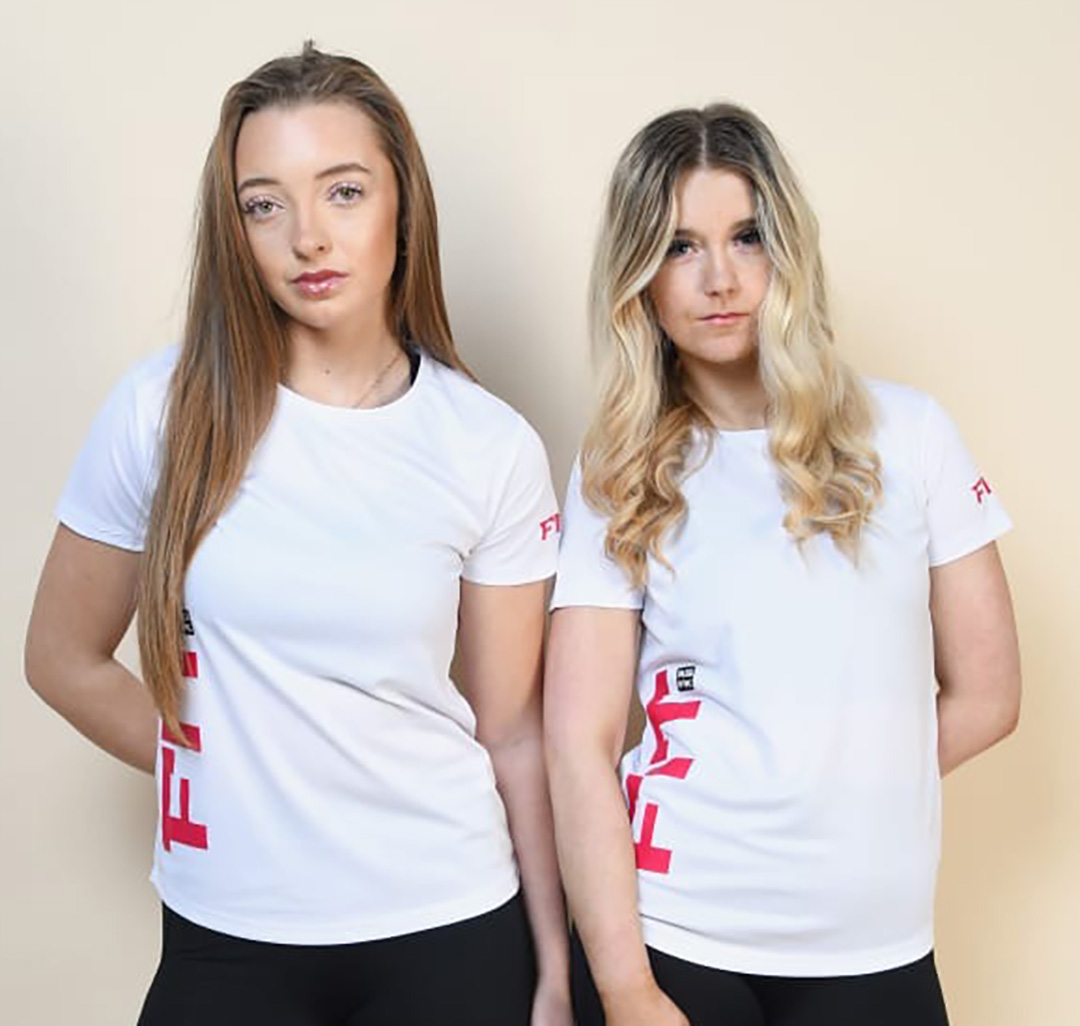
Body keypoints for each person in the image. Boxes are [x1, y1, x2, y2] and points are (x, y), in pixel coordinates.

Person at [25, 43, 571, 1026]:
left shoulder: (487, 445)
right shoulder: (161, 412)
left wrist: (557, 972)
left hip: (449, 919)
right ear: (233, 228)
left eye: (344, 192)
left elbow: (513, 729)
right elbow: (61, 658)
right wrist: (225, 772)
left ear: (404, 204)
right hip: (230, 925)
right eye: (263, 205)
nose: (307, 237)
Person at [544, 104, 1020, 1026]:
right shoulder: (620, 469)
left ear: (787, 250)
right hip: (675, 935)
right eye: (679, 246)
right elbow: (576, 742)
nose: (719, 278)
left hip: (874, 946)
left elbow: (991, 695)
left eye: (747, 237)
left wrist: (848, 789)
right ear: (639, 275)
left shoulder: (910, 435)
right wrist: (625, 987)